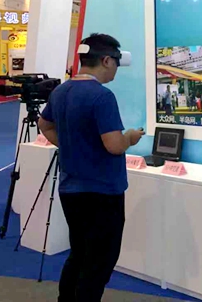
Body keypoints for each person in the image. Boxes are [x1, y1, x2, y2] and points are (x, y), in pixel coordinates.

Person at [37, 33, 145, 302]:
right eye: (116, 62)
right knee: (99, 262)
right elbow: (114, 145)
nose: (117, 69)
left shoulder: (60, 91)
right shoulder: (102, 97)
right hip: (102, 193)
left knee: (79, 253)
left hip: (70, 190)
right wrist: (130, 137)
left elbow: (44, 125)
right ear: (106, 60)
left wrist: (70, 144)